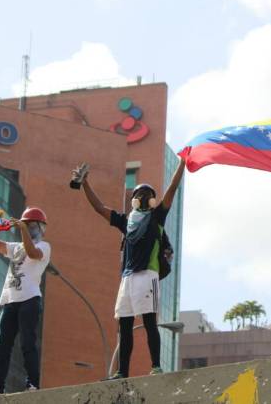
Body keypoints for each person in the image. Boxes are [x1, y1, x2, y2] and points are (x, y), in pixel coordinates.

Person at [74, 157, 185, 377]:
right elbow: (99, 208)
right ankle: (122, 371)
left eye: (147, 195)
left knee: (149, 321)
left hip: (147, 275)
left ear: (153, 201)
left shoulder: (157, 217)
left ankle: (155, 366)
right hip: (127, 278)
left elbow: (172, 188)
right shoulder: (126, 222)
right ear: (133, 200)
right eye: (139, 195)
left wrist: (182, 162)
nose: (143, 198)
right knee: (124, 325)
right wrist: (85, 183)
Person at [0, 207, 51, 395]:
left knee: (27, 343)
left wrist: (22, 229)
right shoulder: (15, 247)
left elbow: (32, 253)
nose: (29, 228)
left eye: (32, 225)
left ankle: (33, 384)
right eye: (26, 225)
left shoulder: (44, 247)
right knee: (2, 345)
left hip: (29, 299)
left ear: (41, 227)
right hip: (11, 300)